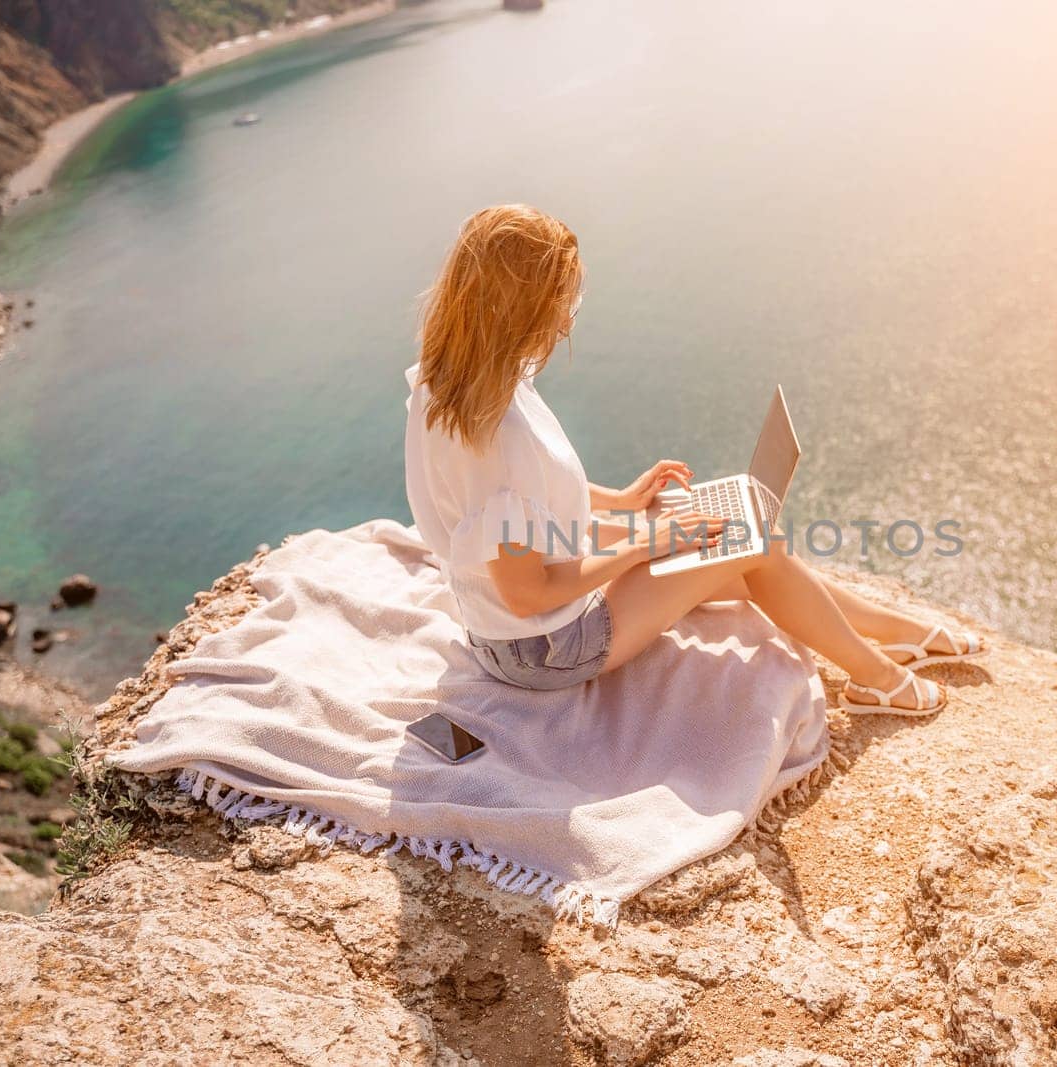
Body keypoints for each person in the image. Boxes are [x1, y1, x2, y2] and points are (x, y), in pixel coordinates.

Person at [404, 205, 980, 714]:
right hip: (545, 649)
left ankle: (888, 632)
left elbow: (531, 502)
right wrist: (647, 540)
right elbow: (527, 593)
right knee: (750, 544)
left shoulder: (452, 382)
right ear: (525, 309)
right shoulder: (498, 435)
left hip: (528, 625)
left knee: (732, 532)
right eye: (564, 299)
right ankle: (877, 676)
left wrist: (624, 503)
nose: (568, 318)